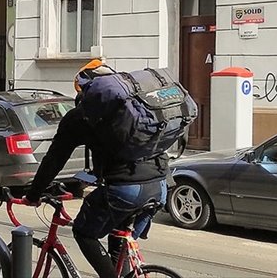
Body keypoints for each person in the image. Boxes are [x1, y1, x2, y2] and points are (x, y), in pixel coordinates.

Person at [20, 59, 172, 278]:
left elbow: (55, 158)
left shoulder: (82, 116)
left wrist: (34, 194)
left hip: (126, 190)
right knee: (118, 243)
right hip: (159, 186)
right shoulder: (137, 111)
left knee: (83, 232)